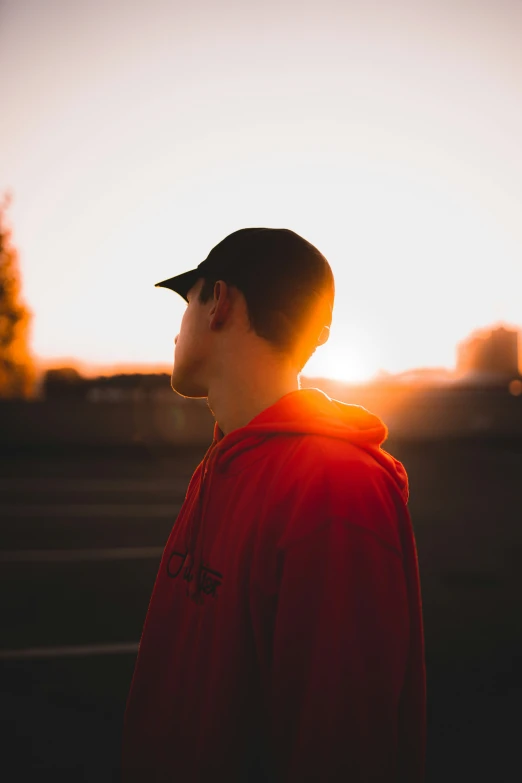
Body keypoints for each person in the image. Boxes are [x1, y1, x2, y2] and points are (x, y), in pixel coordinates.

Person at [122, 227, 426, 782]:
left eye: (188, 299)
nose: (176, 331)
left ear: (220, 301)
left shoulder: (337, 491)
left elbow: (342, 751)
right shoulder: (224, 462)